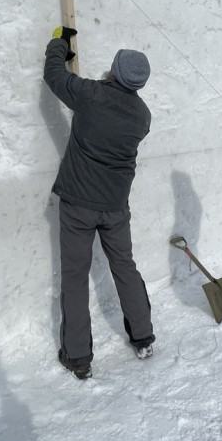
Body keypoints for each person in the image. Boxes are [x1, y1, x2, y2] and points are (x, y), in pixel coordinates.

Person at [44, 26, 155, 380]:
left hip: (78, 204)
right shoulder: (142, 117)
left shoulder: (90, 95)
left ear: (114, 71)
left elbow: (54, 76)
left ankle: (77, 356)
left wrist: (59, 44)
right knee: (125, 267)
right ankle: (143, 336)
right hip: (115, 207)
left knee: (75, 277)